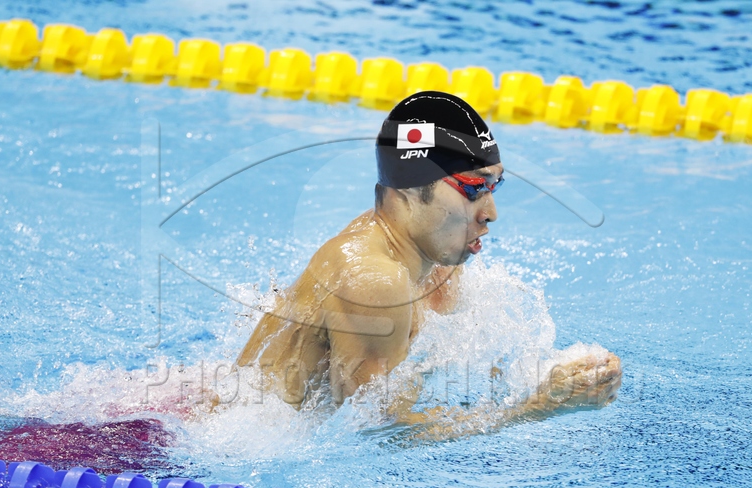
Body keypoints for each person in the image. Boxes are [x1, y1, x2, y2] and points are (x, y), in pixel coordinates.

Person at [234, 91, 621, 432]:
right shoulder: (373, 279)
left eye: (494, 186)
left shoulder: (436, 257)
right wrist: (534, 408)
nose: (491, 213)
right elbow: (375, 436)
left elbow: (470, 359)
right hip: (225, 449)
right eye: (474, 188)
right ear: (410, 191)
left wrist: (559, 374)